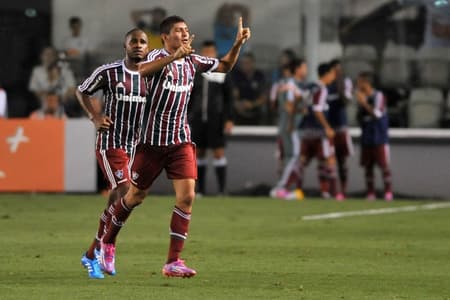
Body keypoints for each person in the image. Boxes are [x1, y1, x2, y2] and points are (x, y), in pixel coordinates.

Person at [100, 15, 250, 278]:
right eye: (179, 31)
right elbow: (140, 72)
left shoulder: (192, 60)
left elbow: (225, 66)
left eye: (186, 30)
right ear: (166, 36)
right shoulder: (155, 56)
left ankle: (173, 262)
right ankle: (108, 242)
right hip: (150, 143)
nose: (184, 34)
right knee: (135, 197)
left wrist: (237, 44)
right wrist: (174, 56)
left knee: (187, 196)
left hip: (180, 140)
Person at [76, 28, 149, 279]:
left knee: (118, 201)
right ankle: (106, 246)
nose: (138, 45)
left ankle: (92, 252)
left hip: (135, 146)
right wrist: (95, 116)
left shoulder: (150, 76)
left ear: (148, 47)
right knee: (126, 191)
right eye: (133, 42)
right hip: (111, 143)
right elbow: (83, 90)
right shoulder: (109, 72)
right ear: (125, 46)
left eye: (142, 42)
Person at [188, 40, 234, 196]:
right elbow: (189, 97)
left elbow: (229, 98)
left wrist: (229, 119)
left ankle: (222, 190)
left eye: (211, 52)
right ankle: (200, 190)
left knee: (218, 153)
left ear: (215, 53)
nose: (208, 54)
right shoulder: (195, 72)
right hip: (198, 118)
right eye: (205, 51)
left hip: (217, 119)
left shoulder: (222, 72)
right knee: (198, 153)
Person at [297, 63, 344, 201]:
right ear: (327, 74)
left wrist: (302, 112)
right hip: (319, 131)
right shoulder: (322, 89)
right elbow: (317, 110)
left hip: (306, 131)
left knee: (303, 161)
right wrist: (327, 127)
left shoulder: (308, 87)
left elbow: (300, 102)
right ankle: (331, 193)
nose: (333, 77)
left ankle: (298, 190)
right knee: (329, 160)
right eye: (333, 74)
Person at [269, 60, 306, 200]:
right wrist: (302, 111)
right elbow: (289, 107)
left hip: (287, 126)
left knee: (290, 157)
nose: (306, 70)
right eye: (304, 67)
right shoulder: (291, 85)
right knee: (293, 155)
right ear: (296, 69)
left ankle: (288, 187)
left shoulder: (284, 85)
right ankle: (281, 186)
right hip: (291, 127)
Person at [355, 72, 393, 201]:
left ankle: (388, 192)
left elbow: (377, 114)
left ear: (366, 83)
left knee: (383, 165)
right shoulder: (362, 98)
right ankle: (370, 193)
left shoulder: (379, 96)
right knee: (368, 166)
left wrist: (364, 103)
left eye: (359, 82)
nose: (358, 85)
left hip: (379, 136)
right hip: (367, 136)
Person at [326, 59, 354, 199]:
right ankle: (331, 191)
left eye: (339, 70)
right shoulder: (325, 85)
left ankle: (343, 190)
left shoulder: (345, 83)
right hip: (328, 128)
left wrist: (340, 85)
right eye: (335, 70)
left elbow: (346, 101)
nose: (338, 72)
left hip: (341, 127)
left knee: (342, 161)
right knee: (329, 160)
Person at [231, 52, 267, 125]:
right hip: (239, 111)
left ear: (253, 63)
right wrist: (237, 104)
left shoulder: (260, 76)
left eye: (247, 63)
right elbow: (233, 94)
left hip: (256, 111)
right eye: (242, 63)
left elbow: (264, 97)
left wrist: (252, 104)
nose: (244, 65)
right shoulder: (236, 75)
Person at [63, 16, 91, 81]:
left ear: (80, 26)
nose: (76, 29)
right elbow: (65, 55)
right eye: (74, 27)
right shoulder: (66, 41)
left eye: (77, 26)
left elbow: (87, 56)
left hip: (82, 68)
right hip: (70, 67)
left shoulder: (85, 40)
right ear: (71, 27)